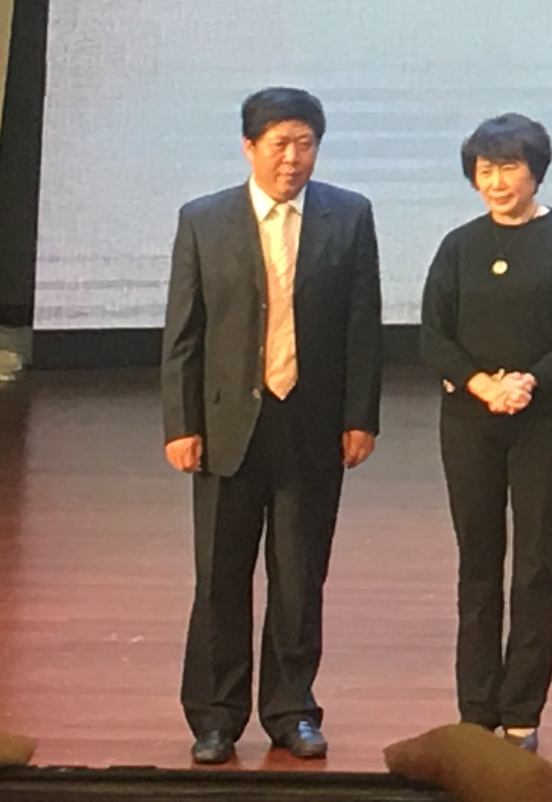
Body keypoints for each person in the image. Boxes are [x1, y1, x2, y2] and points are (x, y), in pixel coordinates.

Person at [161, 84, 383, 767]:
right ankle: (215, 717)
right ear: (249, 147)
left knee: (299, 580)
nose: (293, 158)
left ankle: (292, 711)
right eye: (280, 144)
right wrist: (181, 423)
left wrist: (360, 416)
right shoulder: (204, 220)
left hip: (311, 425)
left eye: (305, 144)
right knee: (219, 578)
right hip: (226, 426)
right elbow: (184, 333)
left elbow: (362, 327)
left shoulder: (349, 216)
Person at [420, 113, 552, 752]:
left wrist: (528, 382)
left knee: (534, 565)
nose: (497, 182)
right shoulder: (458, 246)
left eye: (510, 168)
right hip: (469, 422)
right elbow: (434, 335)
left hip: (544, 422)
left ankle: (522, 709)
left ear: (536, 171)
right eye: (485, 170)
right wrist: (481, 384)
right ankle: (476, 709)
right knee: (477, 563)